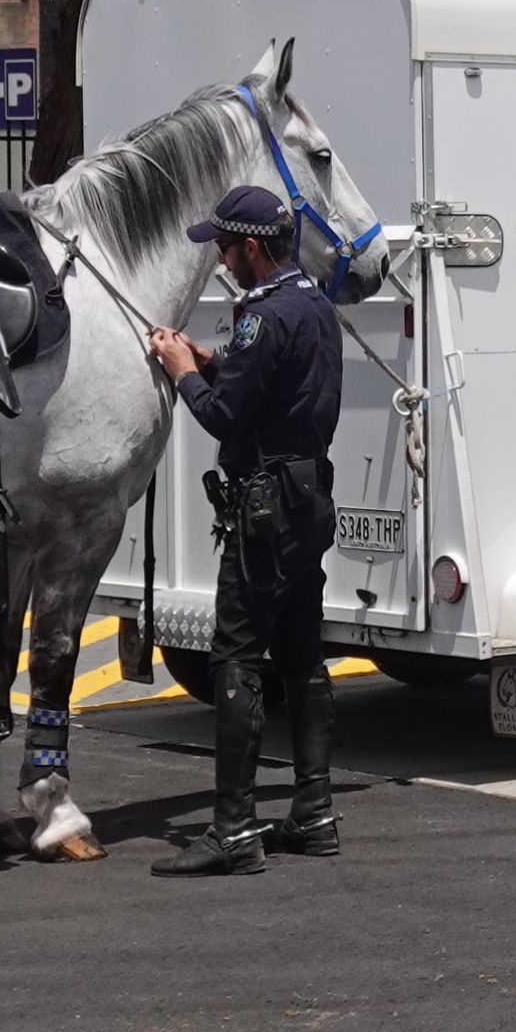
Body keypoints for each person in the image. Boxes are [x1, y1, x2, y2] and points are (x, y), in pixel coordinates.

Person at [143, 181, 345, 874]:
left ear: (252, 249)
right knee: (299, 654)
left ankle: (233, 829)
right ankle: (314, 811)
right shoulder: (314, 305)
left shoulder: (261, 315)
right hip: (309, 494)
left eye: (226, 248)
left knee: (236, 655)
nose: (221, 259)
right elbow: (274, 386)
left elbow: (226, 417)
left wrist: (179, 373)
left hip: (265, 507)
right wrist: (210, 361)